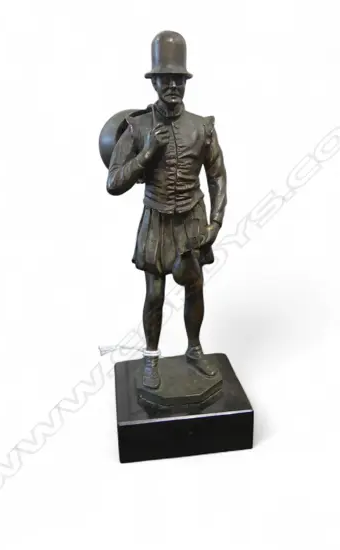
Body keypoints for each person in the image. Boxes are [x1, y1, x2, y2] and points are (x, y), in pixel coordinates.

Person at [106, 30, 227, 390]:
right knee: (155, 294)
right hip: (156, 220)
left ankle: (194, 349)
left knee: (194, 285)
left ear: (186, 81)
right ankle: (151, 359)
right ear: (154, 81)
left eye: (179, 79)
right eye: (165, 78)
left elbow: (217, 176)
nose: (173, 85)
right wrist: (146, 155)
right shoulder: (138, 126)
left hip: (192, 218)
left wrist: (216, 222)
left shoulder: (202, 127)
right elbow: (114, 182)